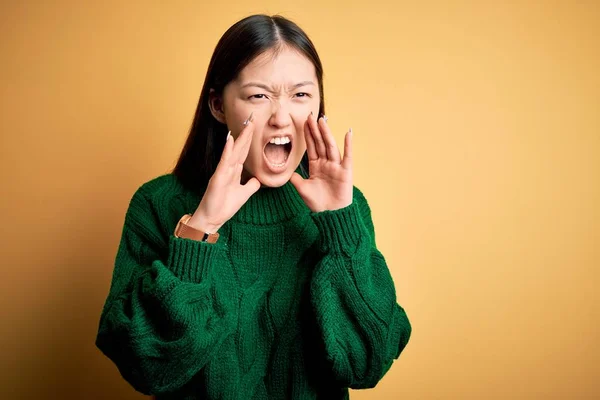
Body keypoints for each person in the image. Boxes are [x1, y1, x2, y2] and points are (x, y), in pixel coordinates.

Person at [95, 14, 412, 400]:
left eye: (301, 95)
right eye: (259, 95)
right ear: (217, 105)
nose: (281, 118)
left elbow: (367, 364)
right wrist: (201, 227)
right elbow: (146, 369)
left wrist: (339, 225)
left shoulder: (347, 206)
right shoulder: (158, 204)